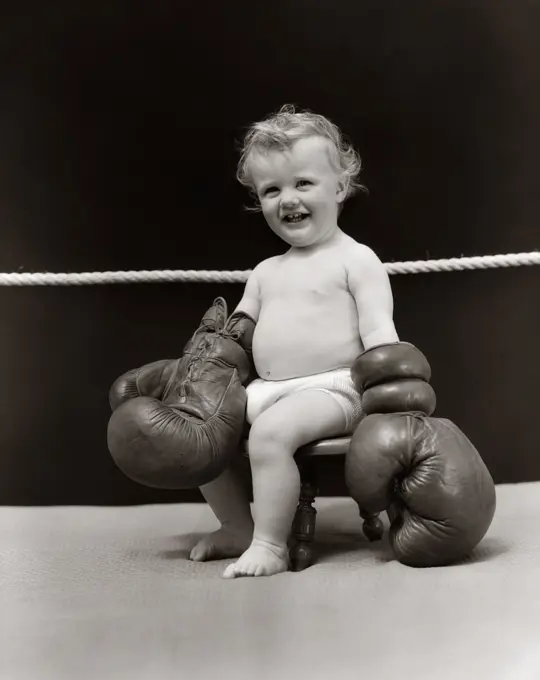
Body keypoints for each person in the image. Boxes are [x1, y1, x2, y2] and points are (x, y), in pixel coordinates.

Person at [189, 104, 400, 578]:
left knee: (270, 433)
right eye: (271, 189)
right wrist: (206, 362)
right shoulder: (265, 272)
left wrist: (390, 387)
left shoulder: (356, 260)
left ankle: (269, 545)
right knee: (201, 428)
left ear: (340, 187)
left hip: (336, 389)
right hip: (267, 390)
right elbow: (237, 334)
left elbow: (379, 331)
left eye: (303, 183)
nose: (288, 199)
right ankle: (237, 526)